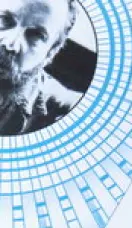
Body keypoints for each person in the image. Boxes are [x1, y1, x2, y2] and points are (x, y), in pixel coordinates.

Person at [0, 0, 80, 135]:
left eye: (36, 35)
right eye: (4, 20)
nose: (10, 43)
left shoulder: (68, 113)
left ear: (50, 53)